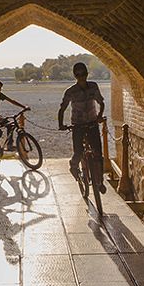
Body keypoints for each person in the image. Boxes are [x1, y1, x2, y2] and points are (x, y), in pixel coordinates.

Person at [58, 62, 106, 192]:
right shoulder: (71, 91)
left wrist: (99, 116)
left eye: (83, 74)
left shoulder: (93, 87)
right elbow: (62, 109)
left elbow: (101, 103)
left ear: (87, 74)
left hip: (92, 123)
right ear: (75, 75)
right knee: (78, 152)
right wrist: (61, 125)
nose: (81, 77)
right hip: (78, 125)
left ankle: (100, 181)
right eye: (78, 75)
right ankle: (74, 166)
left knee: (98, 153)